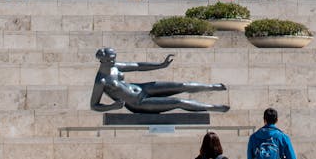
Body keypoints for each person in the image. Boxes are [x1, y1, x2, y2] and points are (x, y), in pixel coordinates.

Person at [90, 48, 229, 114]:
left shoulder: (115, 67)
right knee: (178, 102)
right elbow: (94, 105)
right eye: (110, 59)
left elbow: (138, 66)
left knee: (181, 85)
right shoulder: (101, 81)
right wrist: (111, 107)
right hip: (138, 103)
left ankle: (212, 86)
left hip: (142, 88)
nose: (113, 61)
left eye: (114, 58)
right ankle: (213, 107)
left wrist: (160, 65)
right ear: (101, 60)